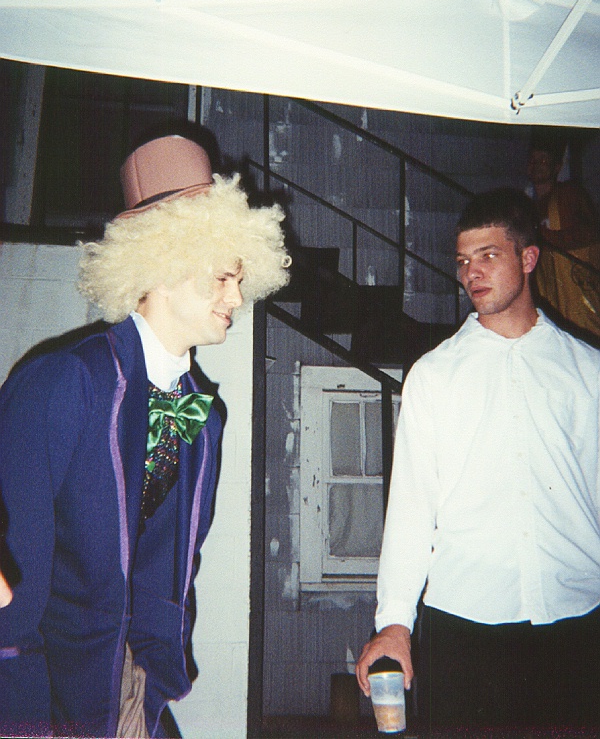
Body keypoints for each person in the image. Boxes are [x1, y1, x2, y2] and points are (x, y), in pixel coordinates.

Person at [0, 134, 290, 738]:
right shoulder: (66, 381)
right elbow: (12, 565)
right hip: (48, 691)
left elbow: (172, 557)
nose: (237, 297)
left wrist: (155, 669)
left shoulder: (201, 416)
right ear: (164, 264)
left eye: (240, 279)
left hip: (136, 686)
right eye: (222, 277)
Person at [356, 188, 600, 734]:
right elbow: (411, 508)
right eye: (463, 260)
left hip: (578, 626)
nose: (472, 272)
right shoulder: (434, 375)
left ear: (528, 258)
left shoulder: (589, 371)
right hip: (465, 630)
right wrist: (394, 622)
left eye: (488, 255)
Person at [527, 134, 600, 339]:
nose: (537, 165)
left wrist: (546, 238)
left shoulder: (568, 194)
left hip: (582, 301)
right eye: (533, 160)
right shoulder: (530, 207)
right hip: (553, 301)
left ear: (557, 167)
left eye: (543, 161)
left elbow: (592, 234)